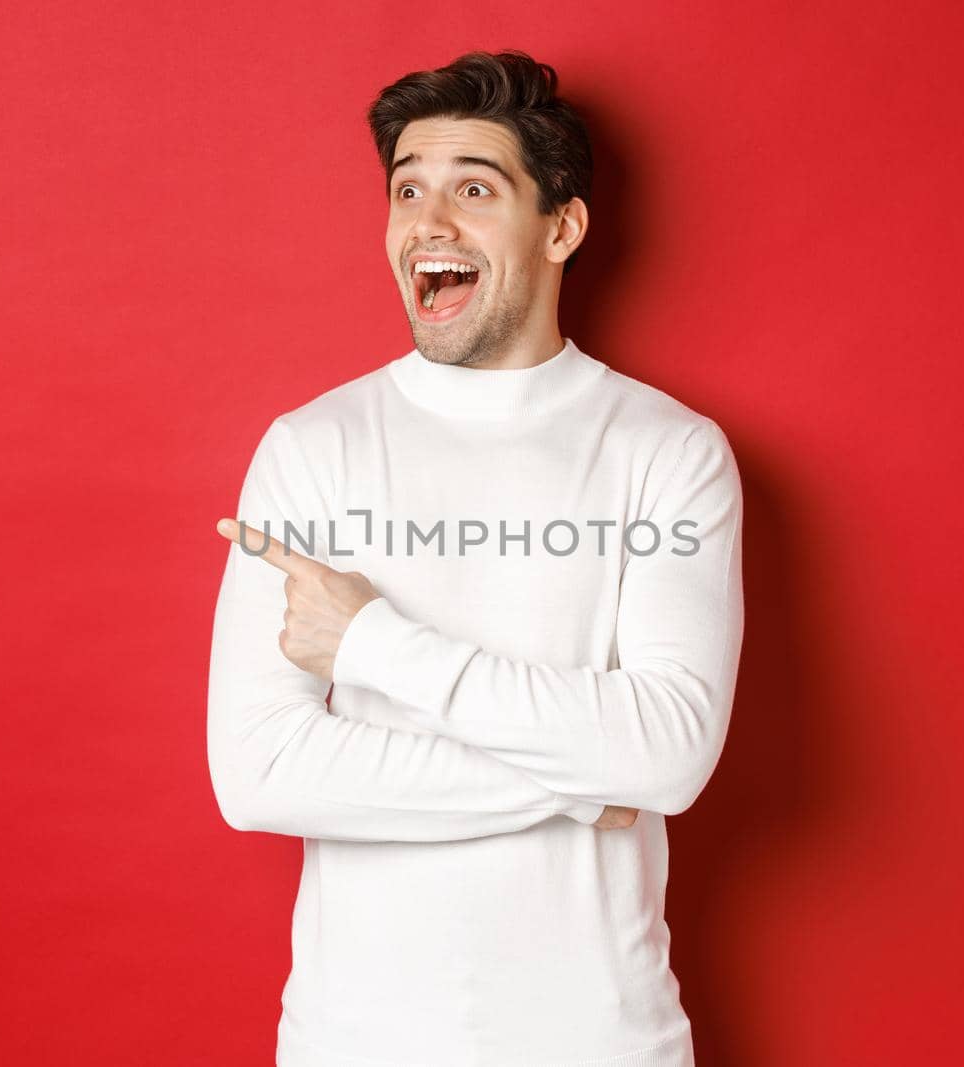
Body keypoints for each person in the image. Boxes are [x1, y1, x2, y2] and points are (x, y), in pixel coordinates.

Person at [206, 48, 745, 1067]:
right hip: (352, 1042)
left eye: (472, 189)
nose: (428, 223)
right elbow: (260, 772)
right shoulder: (311, 447)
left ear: (561, 227)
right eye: (407, 188)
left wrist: (372, 642)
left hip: (604, 1042)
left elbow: (668, 750)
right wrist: (582, 778)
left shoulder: (667, 451)